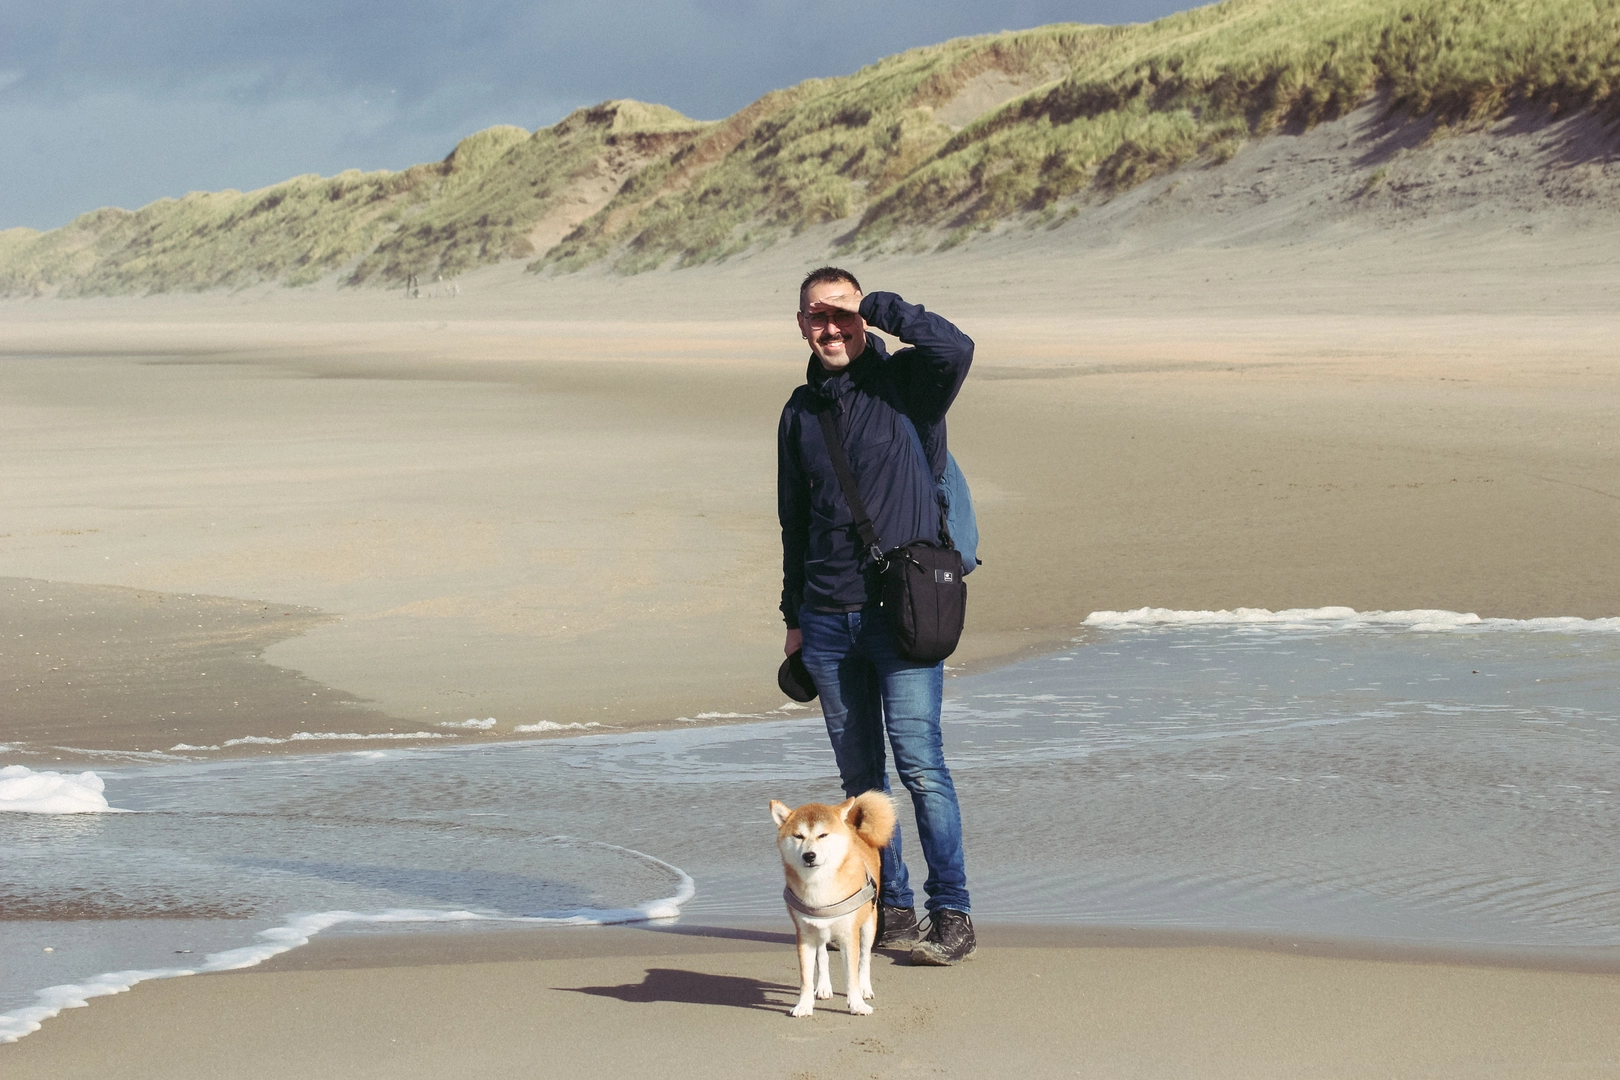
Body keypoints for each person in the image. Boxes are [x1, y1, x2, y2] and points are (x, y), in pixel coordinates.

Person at [776, 266, 976, 965]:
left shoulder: (907, 386)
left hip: (905, 612)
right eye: (817, 316)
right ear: (801, 325)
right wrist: (793, 618)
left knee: (921, 768)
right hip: (827, 621)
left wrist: (881, 305)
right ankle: (888, 907)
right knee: (862, 785)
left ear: (860, 316)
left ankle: (951, 911)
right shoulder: (799, 412)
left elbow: (955, 347)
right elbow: (794, 521)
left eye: (842, 314)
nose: (830, 327)